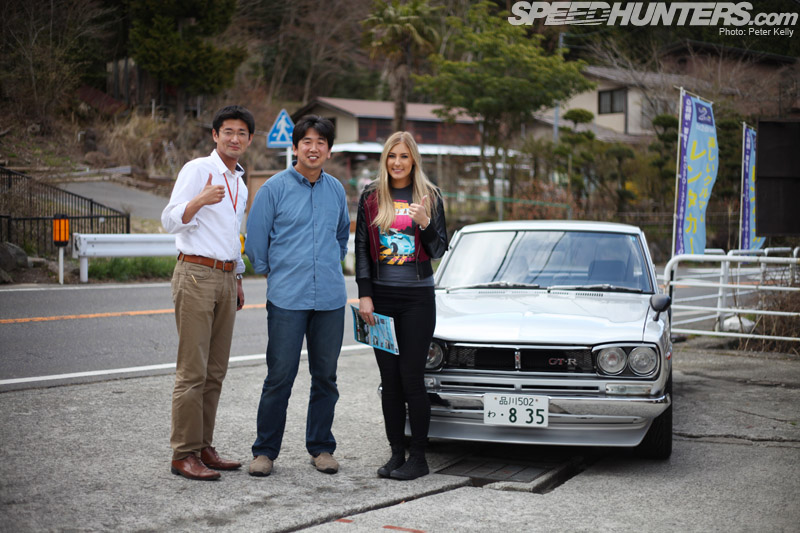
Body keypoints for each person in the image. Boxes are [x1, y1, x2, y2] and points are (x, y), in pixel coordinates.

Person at [245, 115, 350, 477]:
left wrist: (330, 264)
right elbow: (256, 241)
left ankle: (321, 447)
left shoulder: (336, 190)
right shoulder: (273, 189)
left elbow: (341, 237)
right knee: (280, 377)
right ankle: (264, 451)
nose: (313, 148)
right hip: (287, 298)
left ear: (329, 150)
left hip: (330, 299)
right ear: (294, 147)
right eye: (307, 141)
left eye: (321, 142)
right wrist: (274, 273)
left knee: (326, 378)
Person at [161, 105, 254, 480]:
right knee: (192, 371)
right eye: (227, 131)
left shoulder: (241, 183)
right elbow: (169, 220)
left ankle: (203, 446)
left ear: (249, 140)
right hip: (196, 273)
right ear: (215, 135)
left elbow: (233, 236)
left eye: (242, 133)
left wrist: (239, 278)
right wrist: (199, 200)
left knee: (215, 371)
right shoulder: (198, 170)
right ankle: (183, 453)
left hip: (226, 277)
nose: (235, 138)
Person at [355, 131, 448, 480]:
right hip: (381, 299)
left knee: (412, 378)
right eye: (392, 156)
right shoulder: (371, 196)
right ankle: (397, 453)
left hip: (418, 300)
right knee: (389, 380)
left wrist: (425, 224)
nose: (397, 162)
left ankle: (419, 458)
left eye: (404, 156)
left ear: (413, 160)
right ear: (385, 159)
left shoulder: (431, 196)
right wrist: (365, 294)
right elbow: (361, 248)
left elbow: (438, 249)